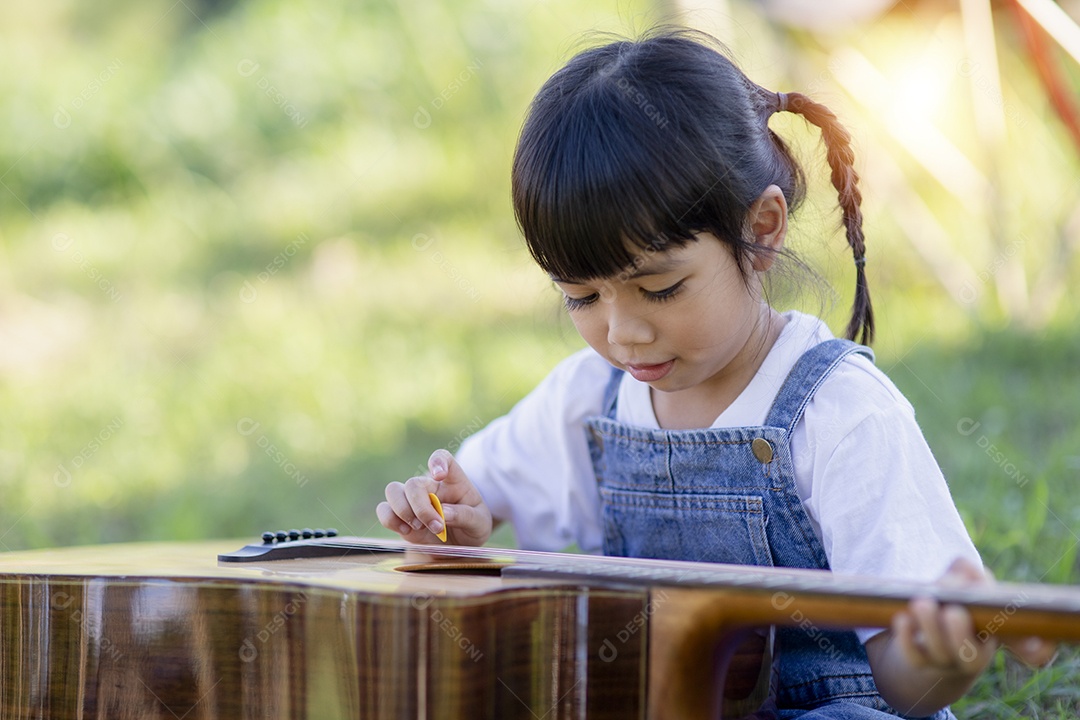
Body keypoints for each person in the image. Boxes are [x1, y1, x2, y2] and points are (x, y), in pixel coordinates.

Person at [377, 29, 1054, 717]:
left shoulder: (842, 414)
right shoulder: (591, 399)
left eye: (660, 288)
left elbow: (910, 690)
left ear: (761, 229)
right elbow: (480, 497)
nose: (622, 332)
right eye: (581, 296)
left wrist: (942, 660)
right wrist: (453, 523)